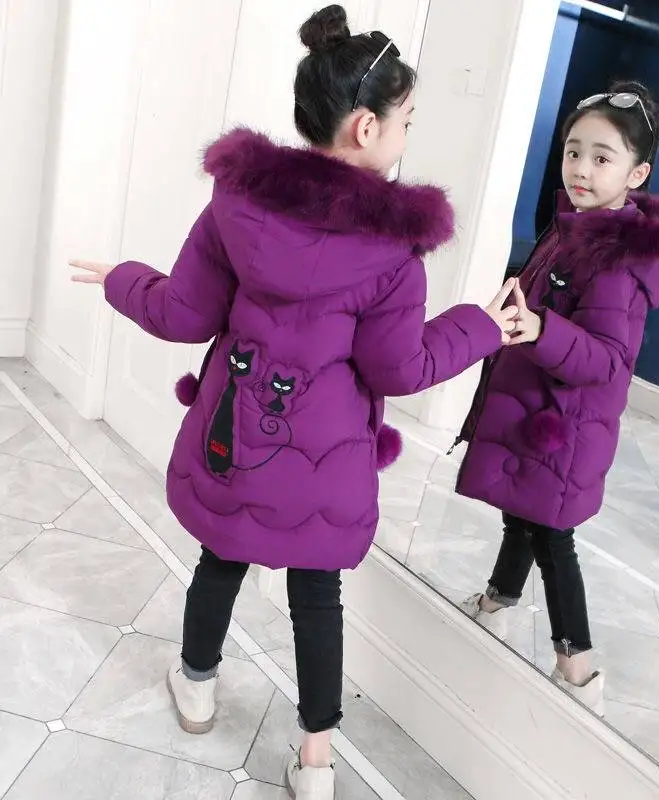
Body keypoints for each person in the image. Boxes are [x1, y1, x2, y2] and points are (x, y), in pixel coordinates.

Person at [69, 6, 518, 798]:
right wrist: (481, 326)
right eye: (408, 120)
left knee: (221, 557)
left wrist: (122, 278)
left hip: (236, 438)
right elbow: (399, 368)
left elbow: (184, 314)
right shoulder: (394, 253)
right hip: (327, 462)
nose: (408, 134)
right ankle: (316, 763)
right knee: (318, 598)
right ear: (367, 128)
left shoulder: (236, 205)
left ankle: (197, 686)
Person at [453, 81, 659, 717]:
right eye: (573, 152)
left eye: (602, 158)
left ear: (637, 174)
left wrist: (539, 329)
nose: (581, 169)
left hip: (566, 425)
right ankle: (499, 601)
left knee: (552, 535)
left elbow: (608, 359)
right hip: (539, 412)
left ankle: (578, 667)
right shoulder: (571, 228)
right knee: (523, 513)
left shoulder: (616, 260)